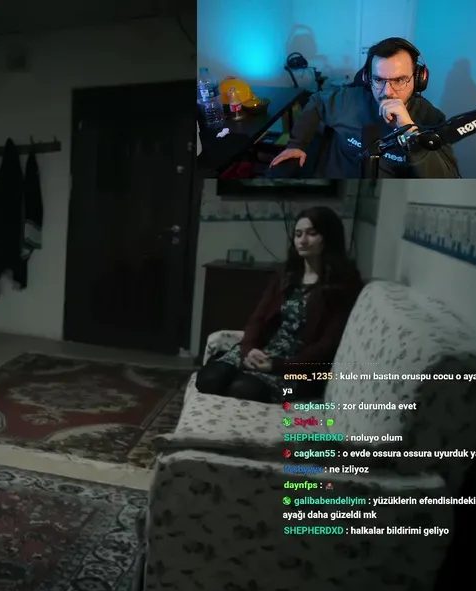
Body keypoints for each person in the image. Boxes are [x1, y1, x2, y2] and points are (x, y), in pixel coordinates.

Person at [196, 206, 364, 403]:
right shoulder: (286, 274)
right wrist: (249, 349)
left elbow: (327, 344)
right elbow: (258, 318)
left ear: (329, 237)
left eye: (312, 234)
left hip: (297, 369)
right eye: (298, 234)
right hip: (263, 351)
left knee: (242, 389)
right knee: (208, 380)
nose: (302, 240)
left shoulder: (344, 284)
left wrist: (276, 366)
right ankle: (232, 366)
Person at [267, 37, 460, 179]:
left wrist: (410, 132)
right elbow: (317, 101)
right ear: (368, 78)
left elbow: (447, 180)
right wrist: (297, 144)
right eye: (379, 80)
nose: (387, 92)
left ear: (418, 80)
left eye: (399, 80)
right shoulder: (348, 100)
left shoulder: (431, 120)